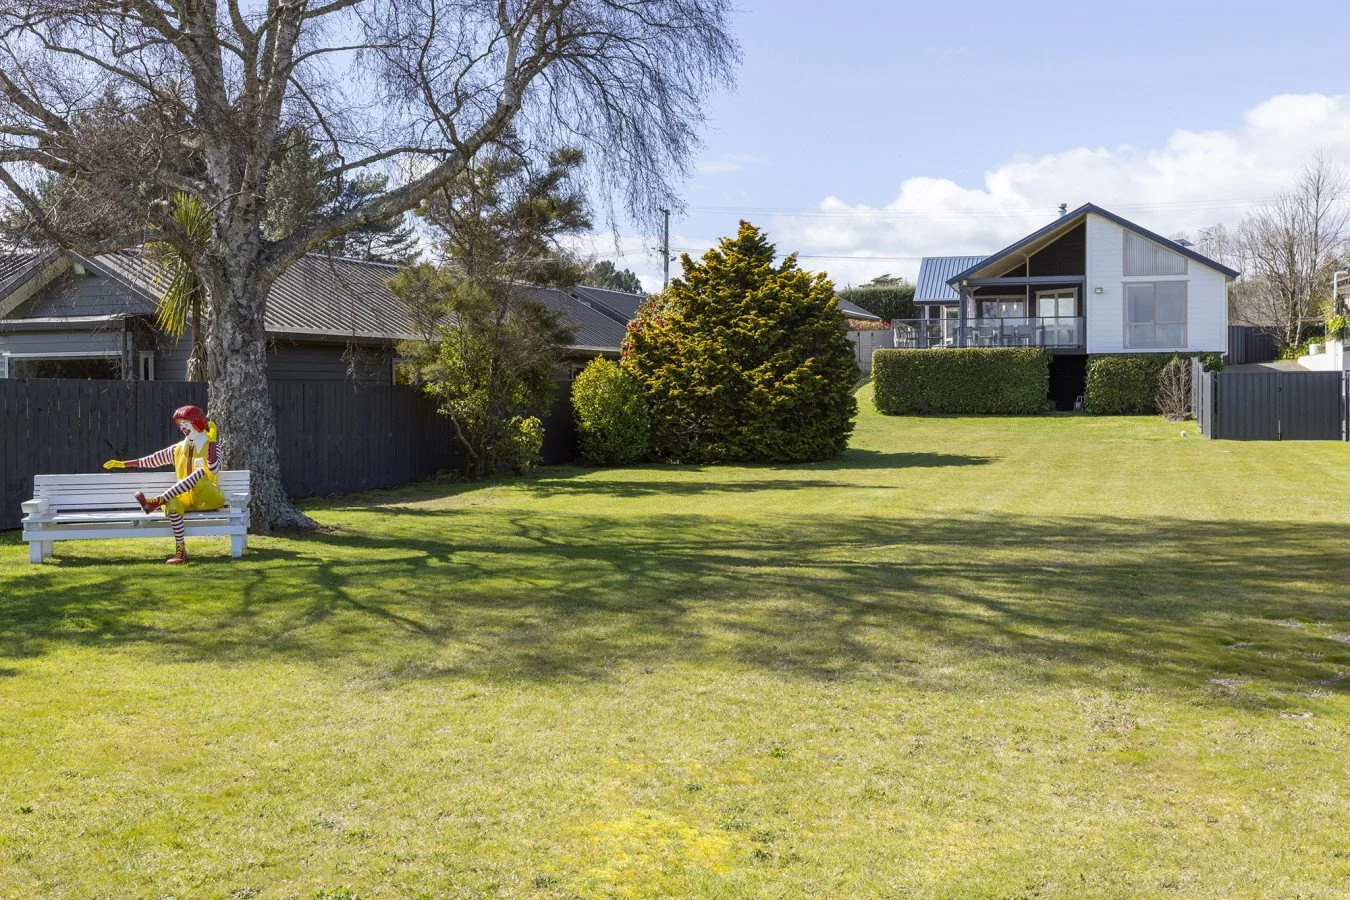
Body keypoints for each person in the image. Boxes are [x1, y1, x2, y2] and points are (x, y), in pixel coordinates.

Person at [103, 405, 225, 565]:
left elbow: (214, 469)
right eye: (180, 425)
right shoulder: (178, 449)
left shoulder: (212, 447)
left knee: (199, 474)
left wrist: (213, 442)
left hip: (209, 499)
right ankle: (181, 552)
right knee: (172, 503)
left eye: (185, 424)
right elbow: (152, 460)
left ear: (197, 423)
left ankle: (157, 501)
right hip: (187, 500)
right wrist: (123, 464)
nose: (182, 428)